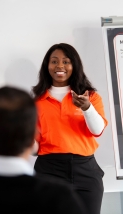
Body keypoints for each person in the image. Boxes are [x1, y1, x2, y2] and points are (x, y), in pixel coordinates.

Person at [32, 43, 108, 214]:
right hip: (49, 170)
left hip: (86, 170)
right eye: (54, 61)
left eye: (66, 62)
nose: (60, 66)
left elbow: (97, 131)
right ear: (47, 66)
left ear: (75, 65)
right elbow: (34, 149)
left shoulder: (91, 96)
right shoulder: (36, 102)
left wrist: (87, 108)